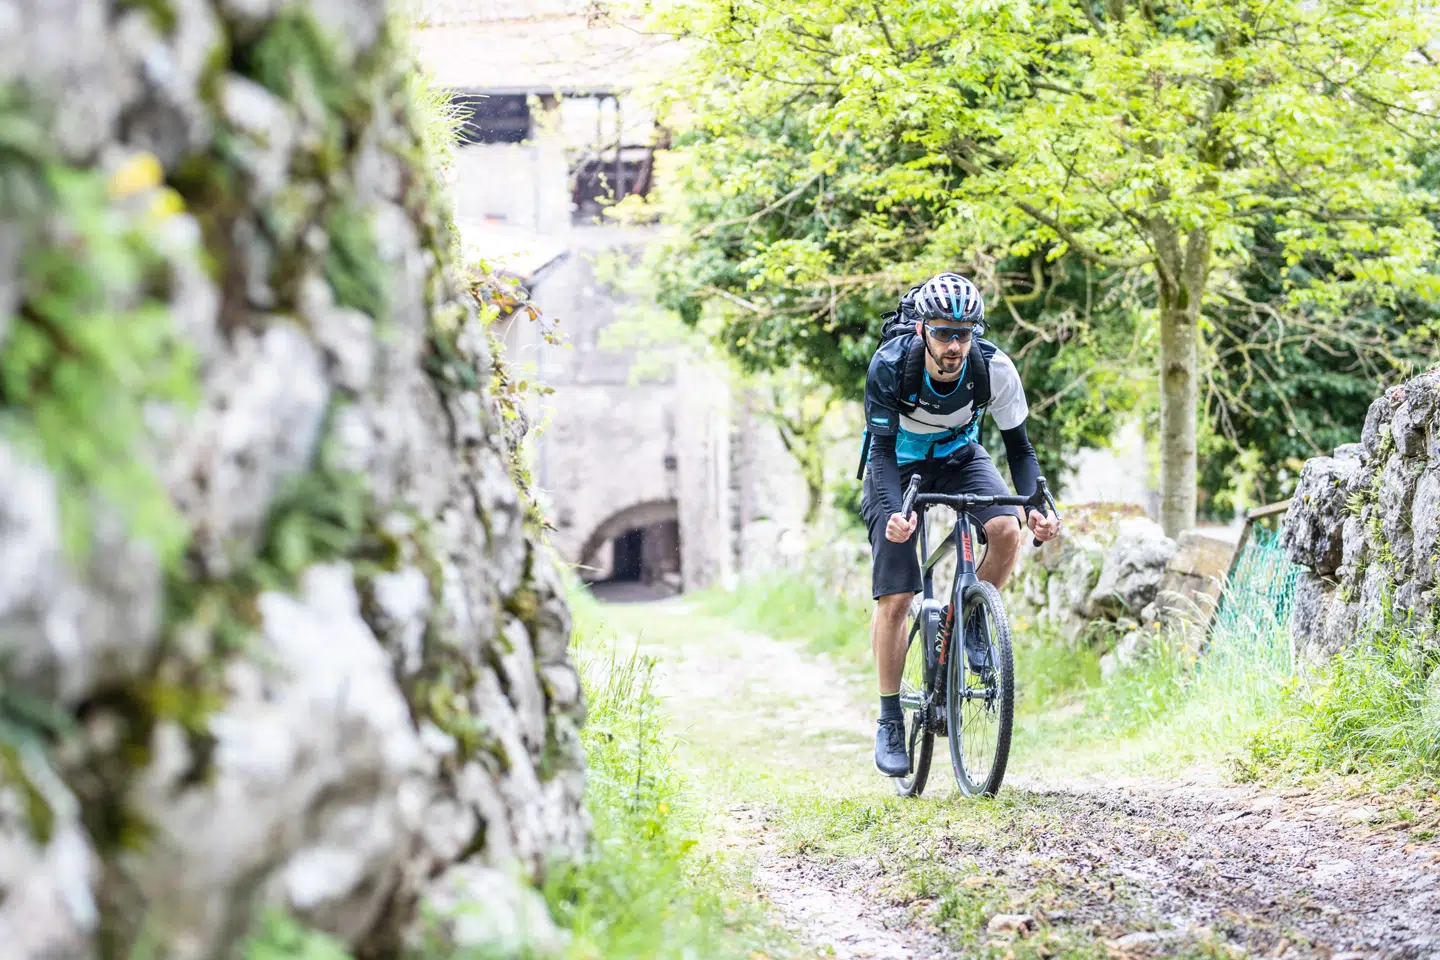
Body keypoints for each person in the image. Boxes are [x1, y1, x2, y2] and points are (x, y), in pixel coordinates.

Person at [863, 272, 1060, 777]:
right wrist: (895, 514)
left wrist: (1041, 503)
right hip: (898, 466)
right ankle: (889, 719)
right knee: (898, 596)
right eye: (944, 333)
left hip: (959, 455)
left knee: (1008, 529)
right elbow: (881, 453)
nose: (954, 345)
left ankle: (972, 617)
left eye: (964, 333)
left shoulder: (993, 368)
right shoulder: (890, 366)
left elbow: (1020, 448)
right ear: (922, 329)